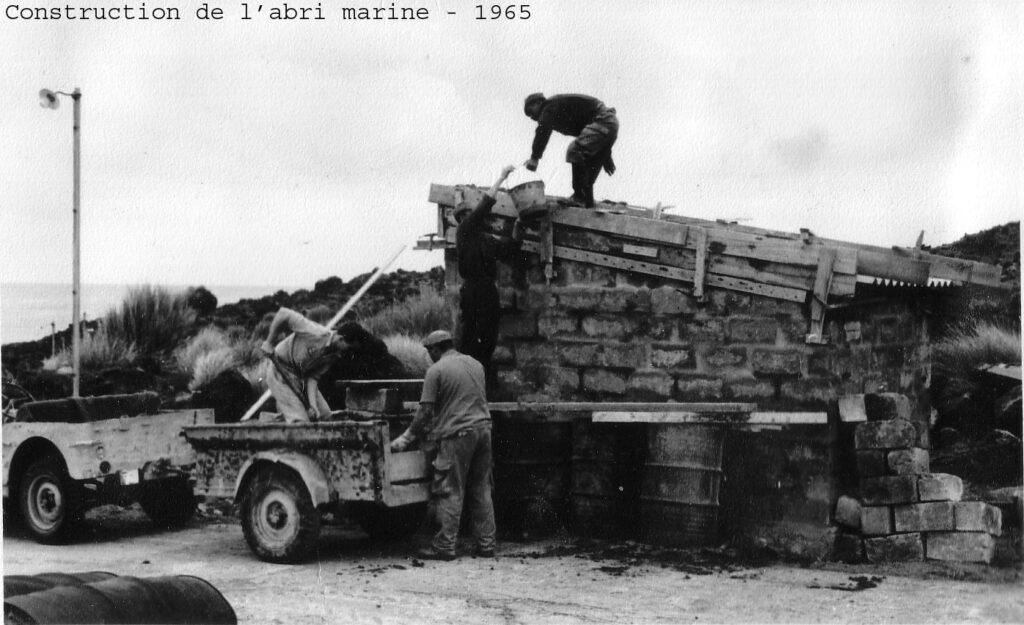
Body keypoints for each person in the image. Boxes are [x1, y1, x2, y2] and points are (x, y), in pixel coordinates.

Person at [390, 330, 496, 561]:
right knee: (481, 488)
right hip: (484, 431)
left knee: (450, 489)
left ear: (436, 349)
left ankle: (445, 547)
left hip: (457, 435)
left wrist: (407, 437)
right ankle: (487, 544)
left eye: (429, 352)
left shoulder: (436, 371)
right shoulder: (476, 364)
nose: (429, 356)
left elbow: (426, 411)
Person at [455, 165, 523, 384]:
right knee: (470, 338)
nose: (472, 216)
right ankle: (466, 381)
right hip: (473, 289)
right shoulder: (464, 231)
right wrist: (501, 176)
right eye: (467, 214)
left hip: (487, 291)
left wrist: (518, 228)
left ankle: (482, 382)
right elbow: (484, 205)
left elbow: (510, 250)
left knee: (488, 338)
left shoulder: (487, 241)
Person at [522, 92, 619, 208]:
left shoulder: (548, 106)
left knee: (575, 151)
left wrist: (534, 158)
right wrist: (605, 155)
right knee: (588, 166)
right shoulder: (559, 112)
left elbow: (543, 131)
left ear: (539, 102)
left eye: (530, 111)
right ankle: (587, 202)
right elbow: (589, 136)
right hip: (608, 124)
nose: (531, 117)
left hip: (603, 120)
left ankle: (579, 197)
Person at [259, 307, 354, 423]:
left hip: (300, 377)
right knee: (300, 421)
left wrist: (313, 406)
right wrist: (269, 342)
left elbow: (313, 378)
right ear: (341, 339)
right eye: (348, 349)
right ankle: (274, 426)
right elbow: (283, 313)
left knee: (325, 416)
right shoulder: (315, 332)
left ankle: (274, 420)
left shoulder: (333, 355)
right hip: (280, 371)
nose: (345, 354)